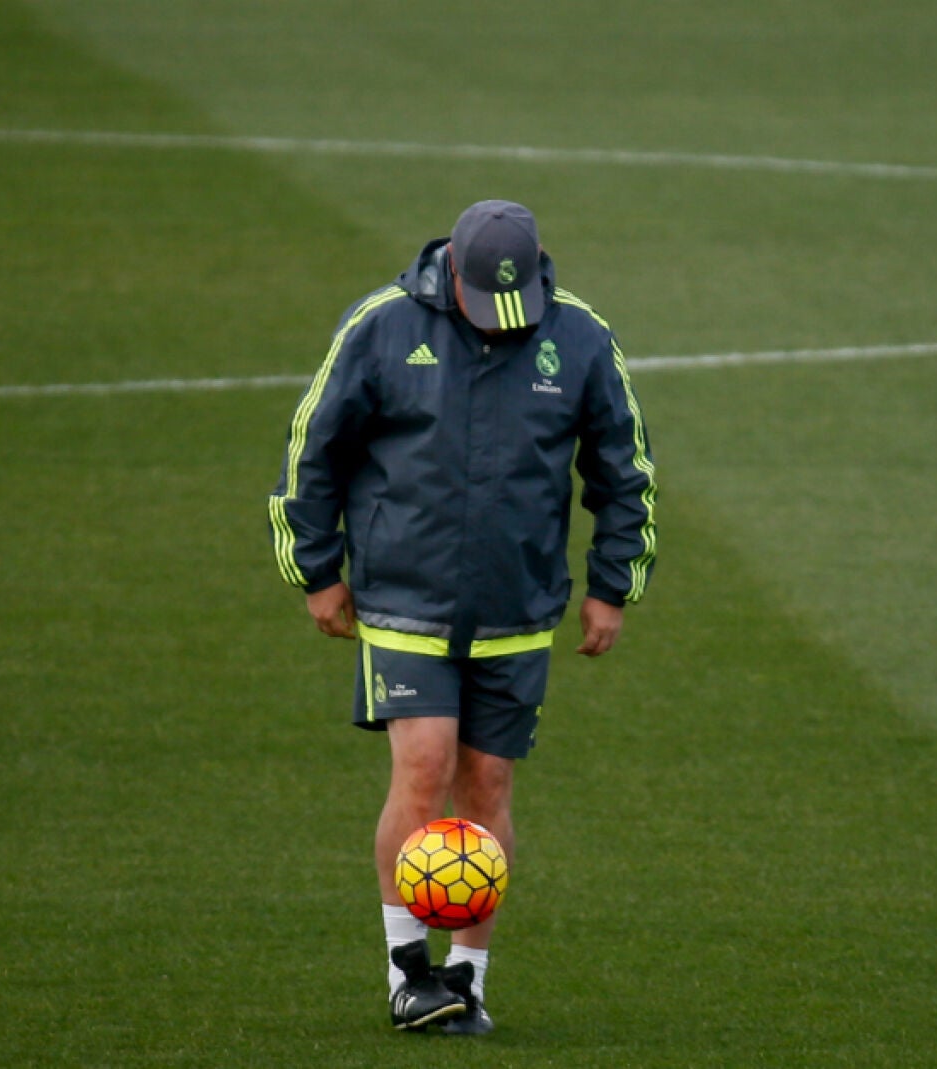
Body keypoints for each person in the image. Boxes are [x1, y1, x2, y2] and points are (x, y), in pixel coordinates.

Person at [267, 200, 657, 1034]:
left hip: (517, 605)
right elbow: (314, 450)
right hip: (405, 597)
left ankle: (467, 979)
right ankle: (408, 971)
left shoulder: (581, 337)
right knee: (423, 766)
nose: (501, 324)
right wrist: (316, 569)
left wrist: (612, 582)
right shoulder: (381, 326)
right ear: (453, 269)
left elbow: (624, 469)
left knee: (487, 785)